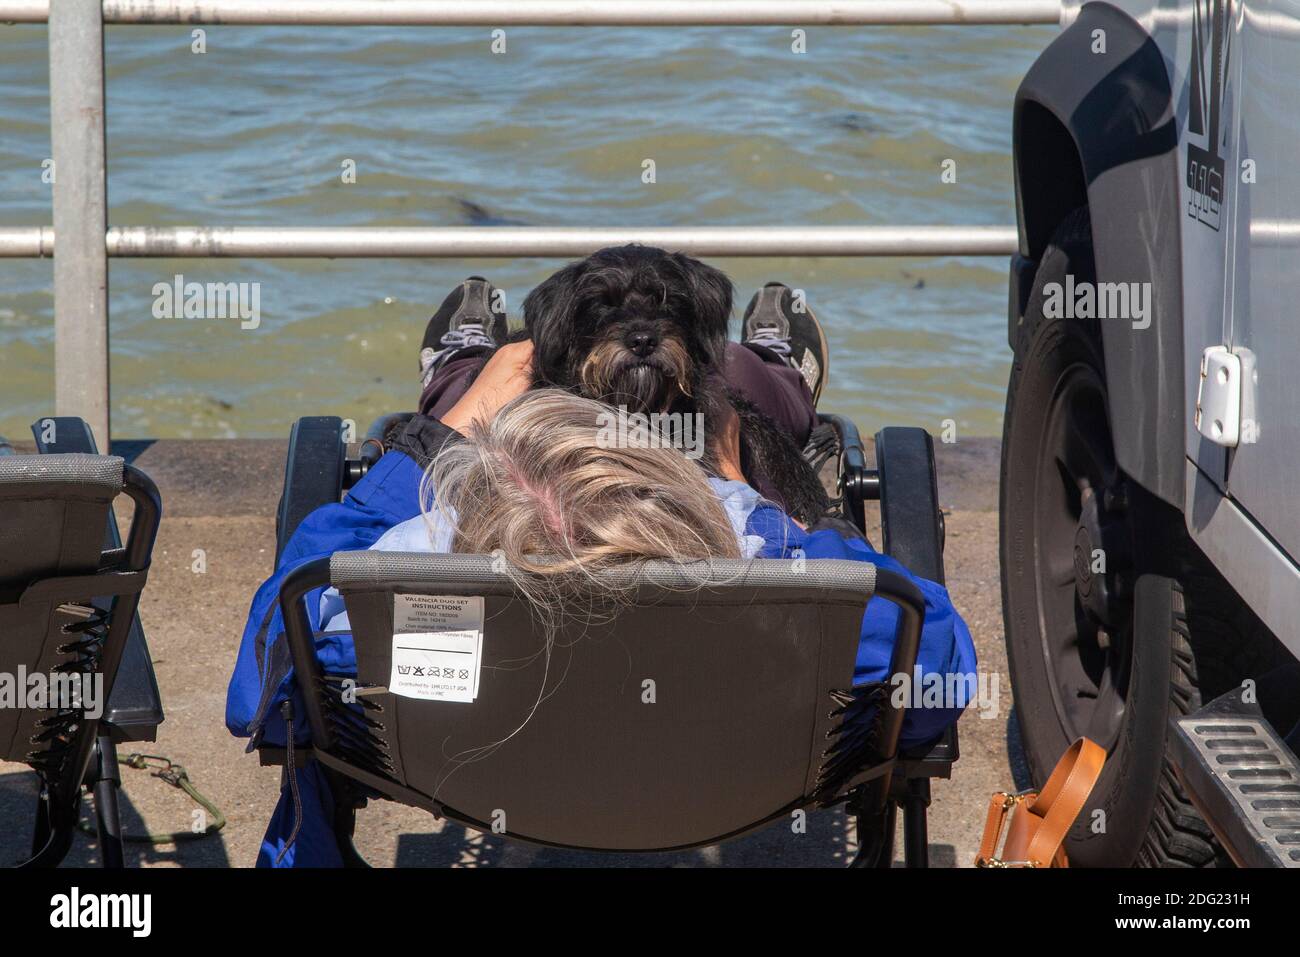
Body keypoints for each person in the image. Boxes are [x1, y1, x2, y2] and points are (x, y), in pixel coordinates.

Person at [227, 266, 976, 866]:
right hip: (728, 786)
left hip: (475, 778)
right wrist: (752, 494)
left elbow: (258, 687)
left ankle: (460, 373)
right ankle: (779, 376)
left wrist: (437, 435)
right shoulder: (762, 555)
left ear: (506, 464)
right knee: (734, 376)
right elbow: (941, 670)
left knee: (492, 380)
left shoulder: (422, 560)